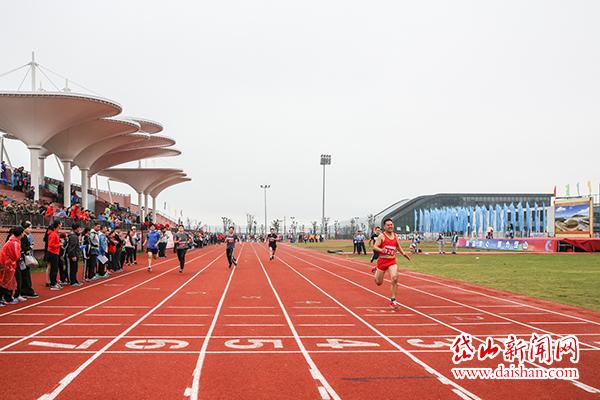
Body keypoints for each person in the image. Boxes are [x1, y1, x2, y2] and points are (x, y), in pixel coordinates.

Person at [372, 218, 411, 309]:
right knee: (378, 282)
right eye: (388, 225)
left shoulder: (395, 235)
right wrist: (381, 250)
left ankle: (393, 300)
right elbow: (375, 247)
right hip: (382, 262)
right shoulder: (381, 236)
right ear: (384, 226)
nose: (390, 226)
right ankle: (376, 270)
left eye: (391, 225)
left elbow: (397, 246)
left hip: (392, 261)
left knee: (394, 278)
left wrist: (404, 253)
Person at [0, 226, 25, 305]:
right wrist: (20, 256)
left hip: (7, 262)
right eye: (23, 232)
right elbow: (16, 255)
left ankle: (7, 297)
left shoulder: (13, 240)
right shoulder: (14, 242)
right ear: (21, 233)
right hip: (7, 263)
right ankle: (6, 298)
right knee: (5, 281)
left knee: (7, 281)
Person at [18, 221, 38, 299]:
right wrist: (30, 247)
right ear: (24, 228)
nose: (30, 229)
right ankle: (27, 291)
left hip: (24, 257)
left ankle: (25, 291)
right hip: (23, 258)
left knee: (25, 275)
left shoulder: (26, 236)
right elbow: (23, 248)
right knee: (25, 275)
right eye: (29, 227)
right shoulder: (23, 237)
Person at [46, 221, 62, 290]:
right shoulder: (53, 234)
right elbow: (51, 245)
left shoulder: (55, 233)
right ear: (58, 225)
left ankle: (54, 282)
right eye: (60, 224)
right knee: (54, 269)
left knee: (55, 268)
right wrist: (59, 244)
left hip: (55, 253)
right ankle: (53, 284)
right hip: (53, 253)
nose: (61, 225)